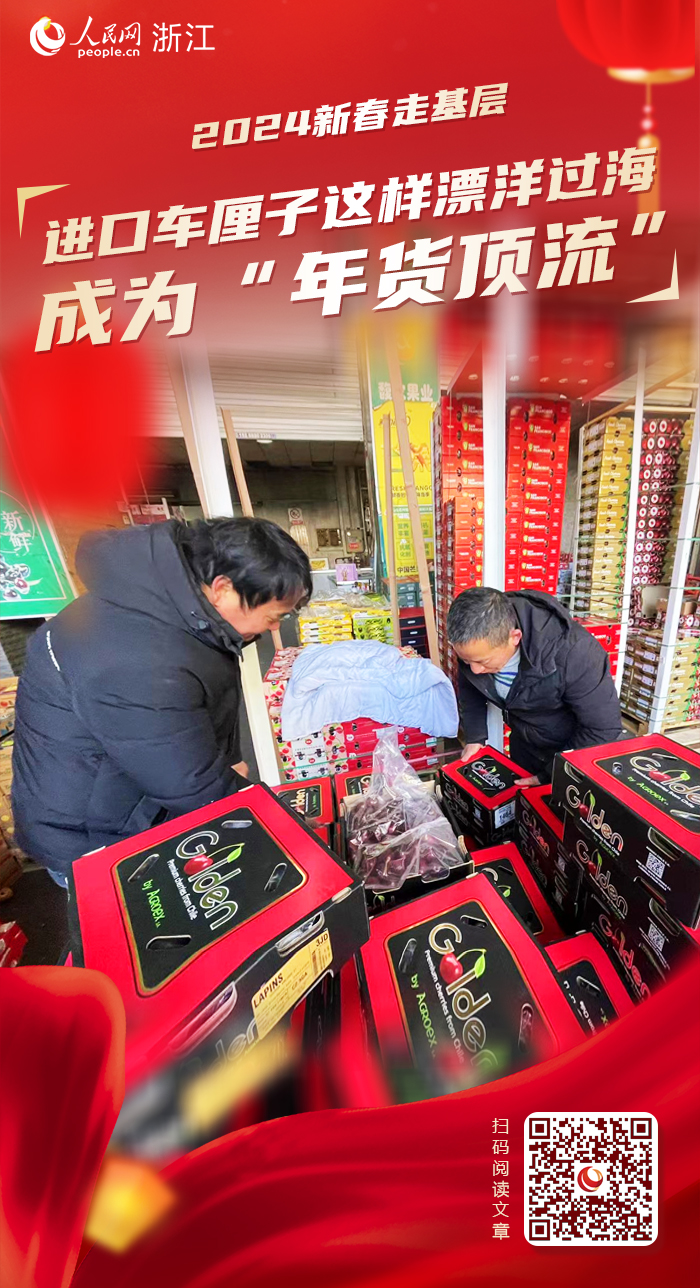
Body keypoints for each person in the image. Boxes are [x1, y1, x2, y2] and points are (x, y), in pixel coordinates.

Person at [11, 517, 312, 887]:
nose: (275, 628)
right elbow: (191, 784)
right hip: (93, 836)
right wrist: (289, 828)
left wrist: (228, 759)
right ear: (223, 589)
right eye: (273, 615)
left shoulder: (172, 610)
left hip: (128, 804)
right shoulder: (136, 656)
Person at [446, 586, 624, 787]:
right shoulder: (476, 647)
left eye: (483, 662)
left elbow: (602, 728)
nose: (475, 669)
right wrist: (475, 738)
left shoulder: (575, 652)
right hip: (524, 747)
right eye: (466, 661)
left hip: (572, 758)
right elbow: (472, 686)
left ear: (515, 637)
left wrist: (550, 775)